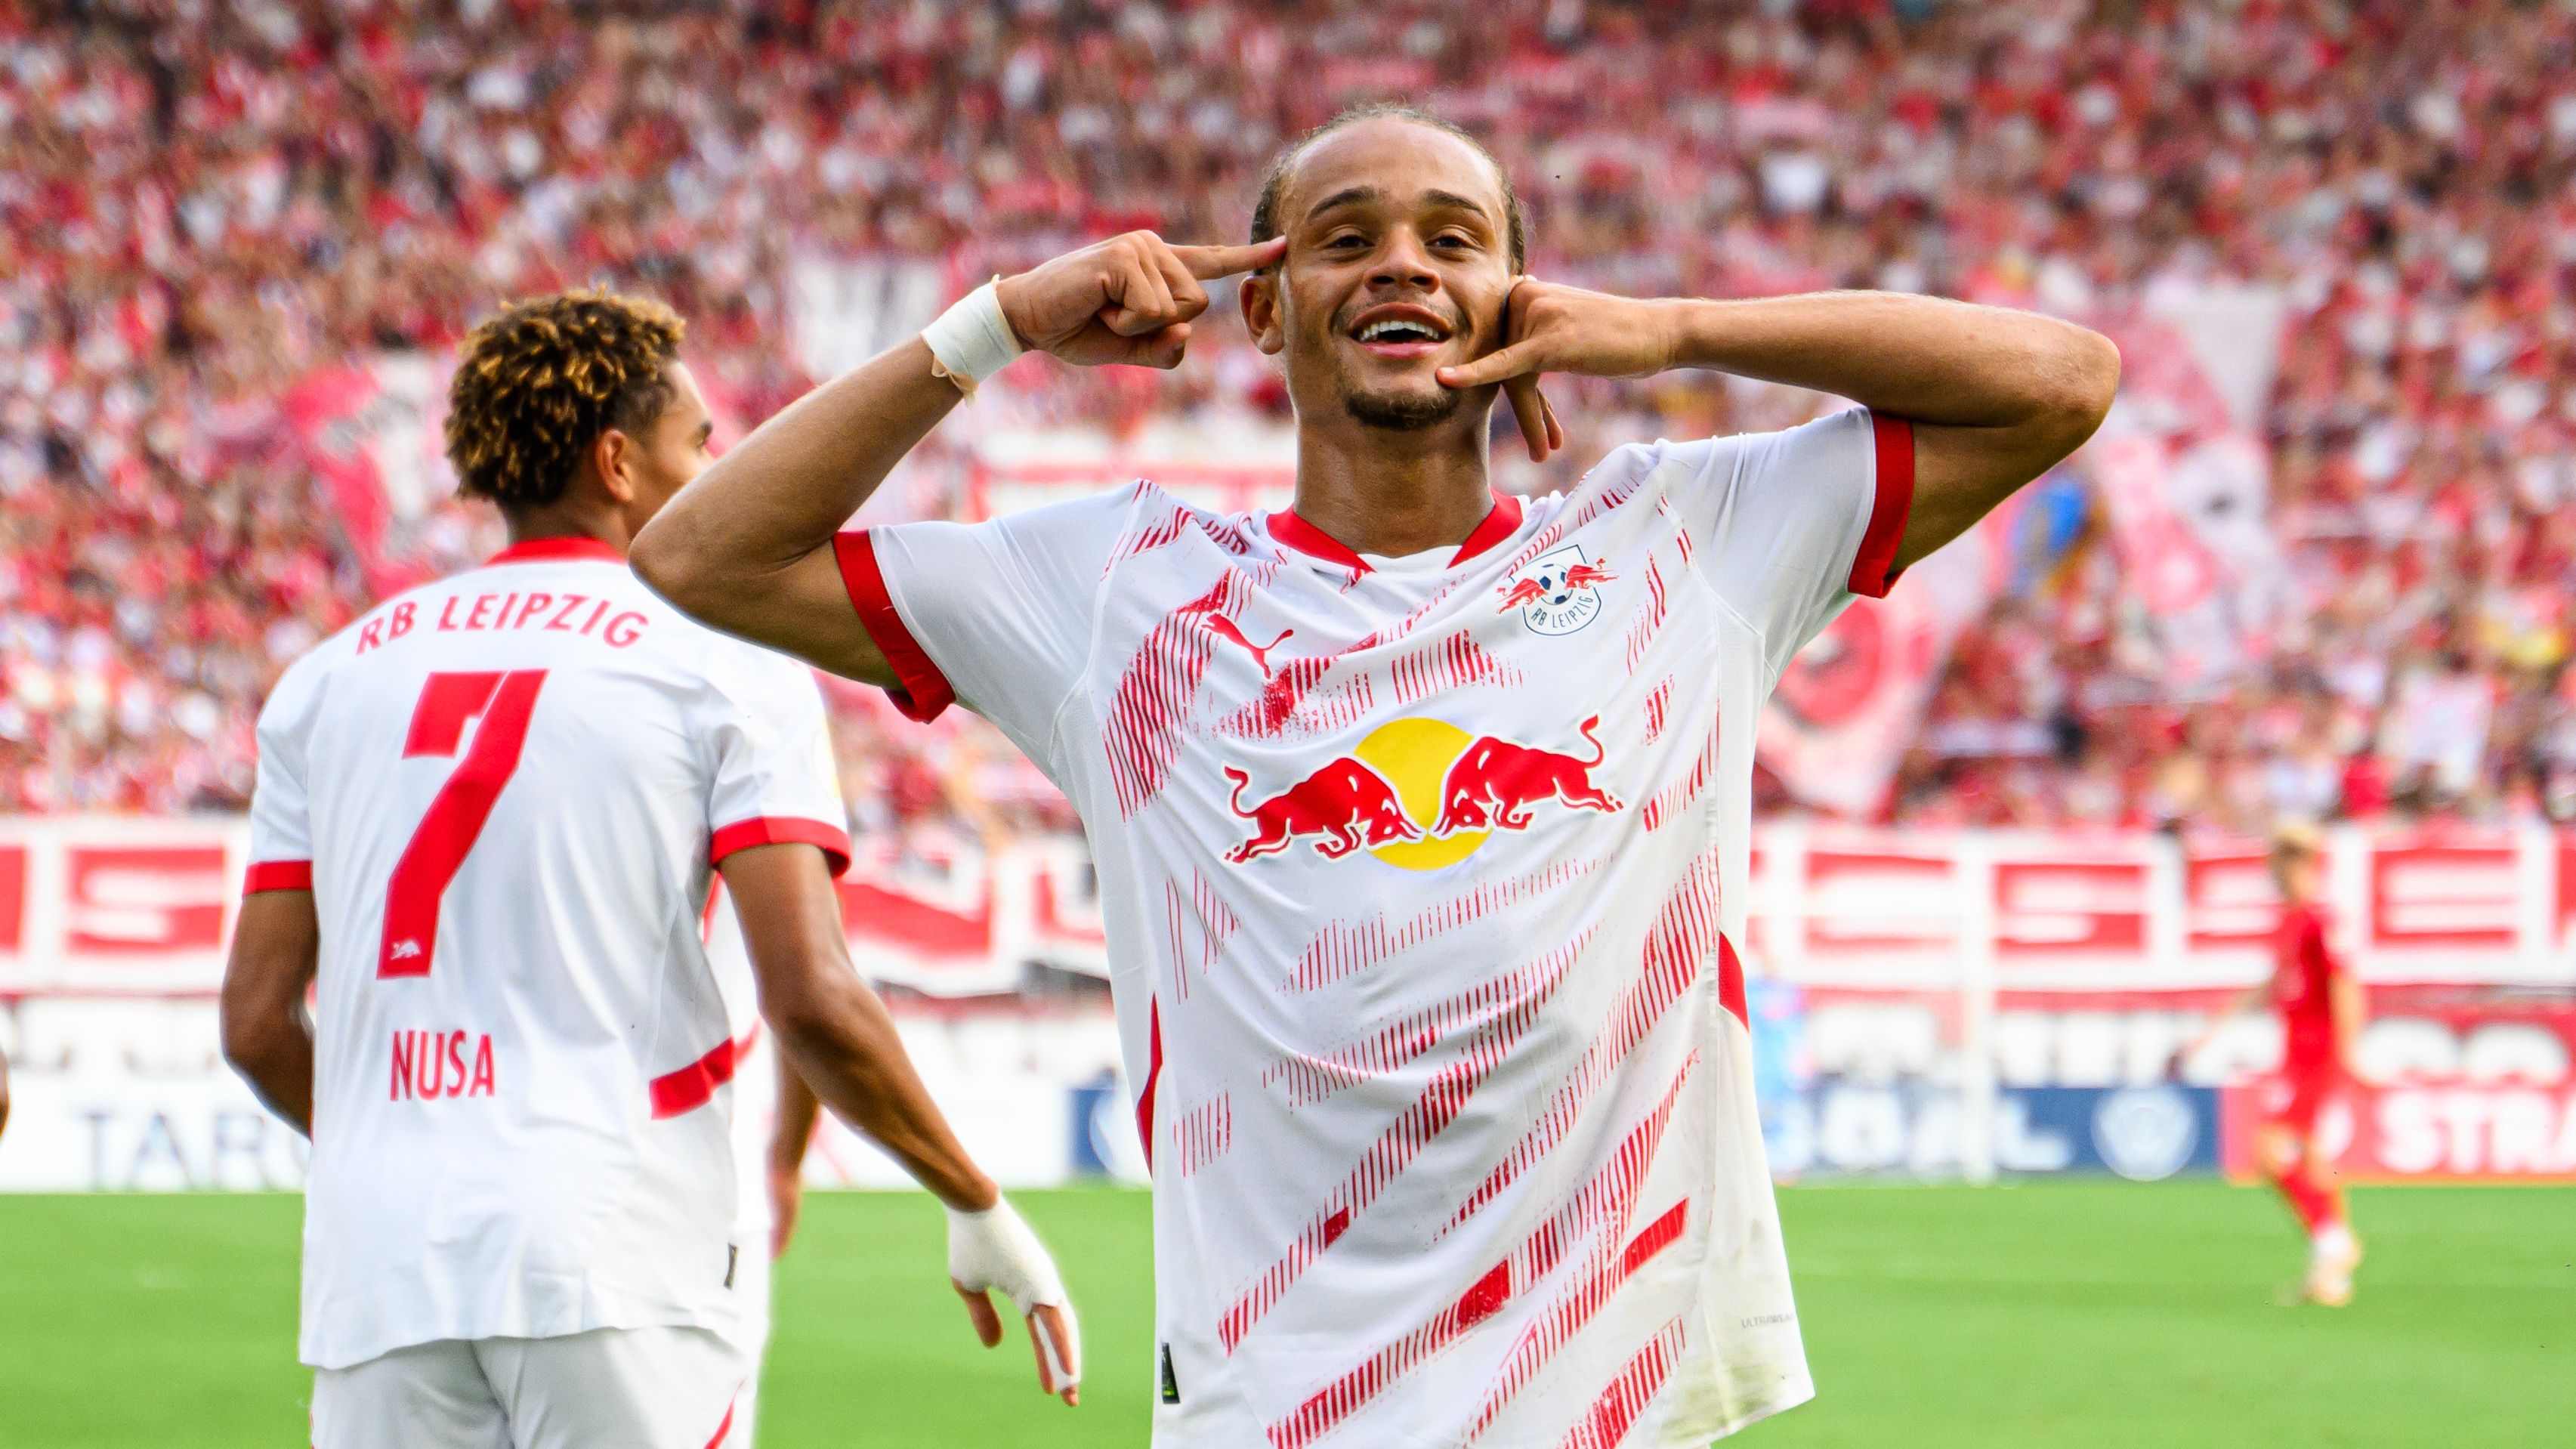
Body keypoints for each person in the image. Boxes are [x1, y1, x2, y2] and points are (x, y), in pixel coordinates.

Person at [634, 105, 2117, 1446]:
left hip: (1602, 1411)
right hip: (1267, 1413)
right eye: (1345, 239)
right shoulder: (1115, 589)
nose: (1399, 266)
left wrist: (1666, 329)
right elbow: (700, 551)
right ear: (1265, 310)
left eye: (1450, 240)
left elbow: (2059, 381)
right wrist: (1001, 323)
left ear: (1518, 301)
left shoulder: (1680, 543)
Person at [218, 290, 1080, 1449]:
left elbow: (257, 1025)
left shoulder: (327, 678)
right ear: (619, 462)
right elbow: (811, 996)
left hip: (380, 1261)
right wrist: (972, 1199)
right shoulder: (725, 654)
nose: (723, 476)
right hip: (615, 1250)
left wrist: (413, 1147)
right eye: (703, 449)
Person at [2195, 823, 2365, 1305]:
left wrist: (2350, 1051)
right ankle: (2330, 1272)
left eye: (2278, 863)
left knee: (2268, 1152)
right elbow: (2276, 983)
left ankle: (2333, 1241)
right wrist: (2217, 1024)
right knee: (2311, 1156)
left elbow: (2345, 984)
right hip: (2296, 1052)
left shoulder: (2320, 919)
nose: (2271, 873)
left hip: (2317, 1053)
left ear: (2300, 864)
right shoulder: (2291, 921)